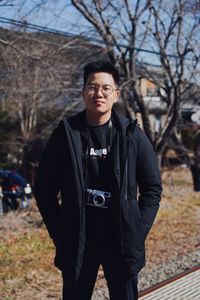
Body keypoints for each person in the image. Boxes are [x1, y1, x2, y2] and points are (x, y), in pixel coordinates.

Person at [34, 60, 162, 300]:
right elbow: (44, 189)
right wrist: (58, 231)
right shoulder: (66, 134)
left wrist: (137, 228)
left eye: (105, 88)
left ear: (116, 94)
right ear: (83, 92)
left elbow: (152, 189)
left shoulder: (131, 134)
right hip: (78, 236)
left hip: (121, 238)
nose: (98, 94)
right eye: (92, 87)